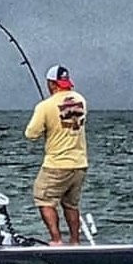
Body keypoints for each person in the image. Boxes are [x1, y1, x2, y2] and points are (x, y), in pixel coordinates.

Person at [25, 65, 88, 245]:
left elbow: (31, 134)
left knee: (43, 198)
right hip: (80, 163)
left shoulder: (45, 106)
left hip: (57, 164)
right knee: (71, 204)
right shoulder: (81, 101)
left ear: (51, 84)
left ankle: (56, 239)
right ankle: (75, 241)